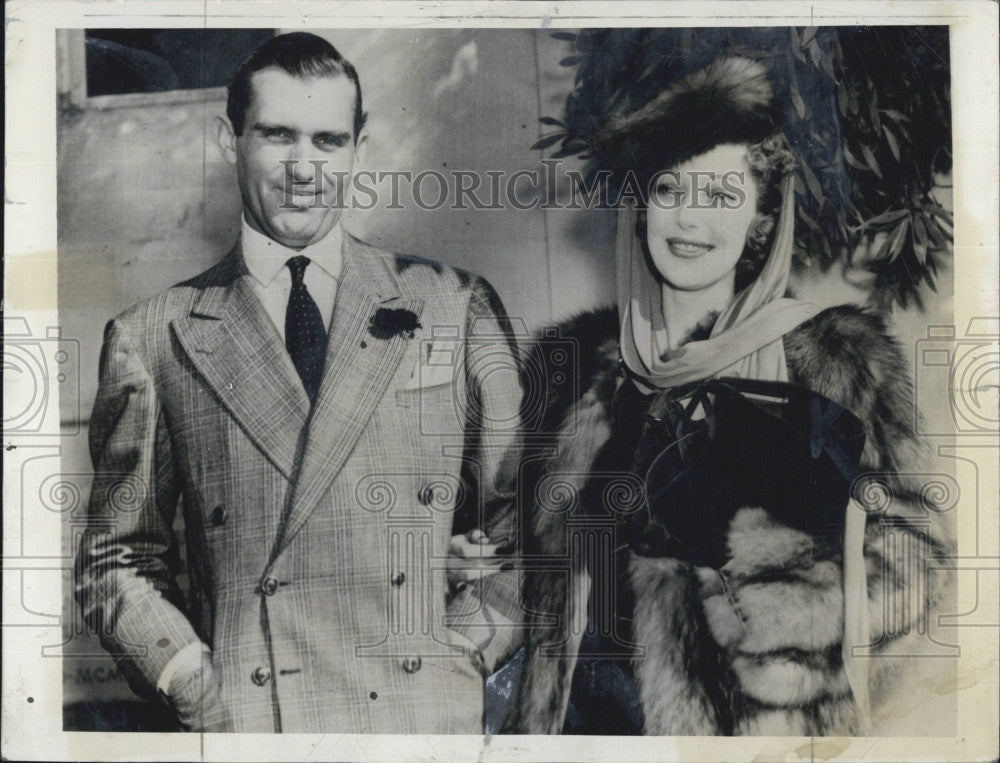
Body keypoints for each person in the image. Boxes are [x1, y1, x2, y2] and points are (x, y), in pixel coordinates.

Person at [75, 32, 523, 734]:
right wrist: (194, 682)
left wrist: (464, 653)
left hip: (422, 723)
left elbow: (521, 520)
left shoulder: (452, 304)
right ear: (231, 141)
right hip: (260, 722)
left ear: (359, 148)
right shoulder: (155, 336)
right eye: (278, 135)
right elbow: (115, 558)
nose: (303, 168)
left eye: (327, 141)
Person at [508, 56, 952, 735]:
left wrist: (769, 606)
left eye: (720, 195)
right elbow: (533, 566)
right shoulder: (571, 368)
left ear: (763, 218)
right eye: (669, 190)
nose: (689, 219)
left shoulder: (837, 360)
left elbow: (919, 557)